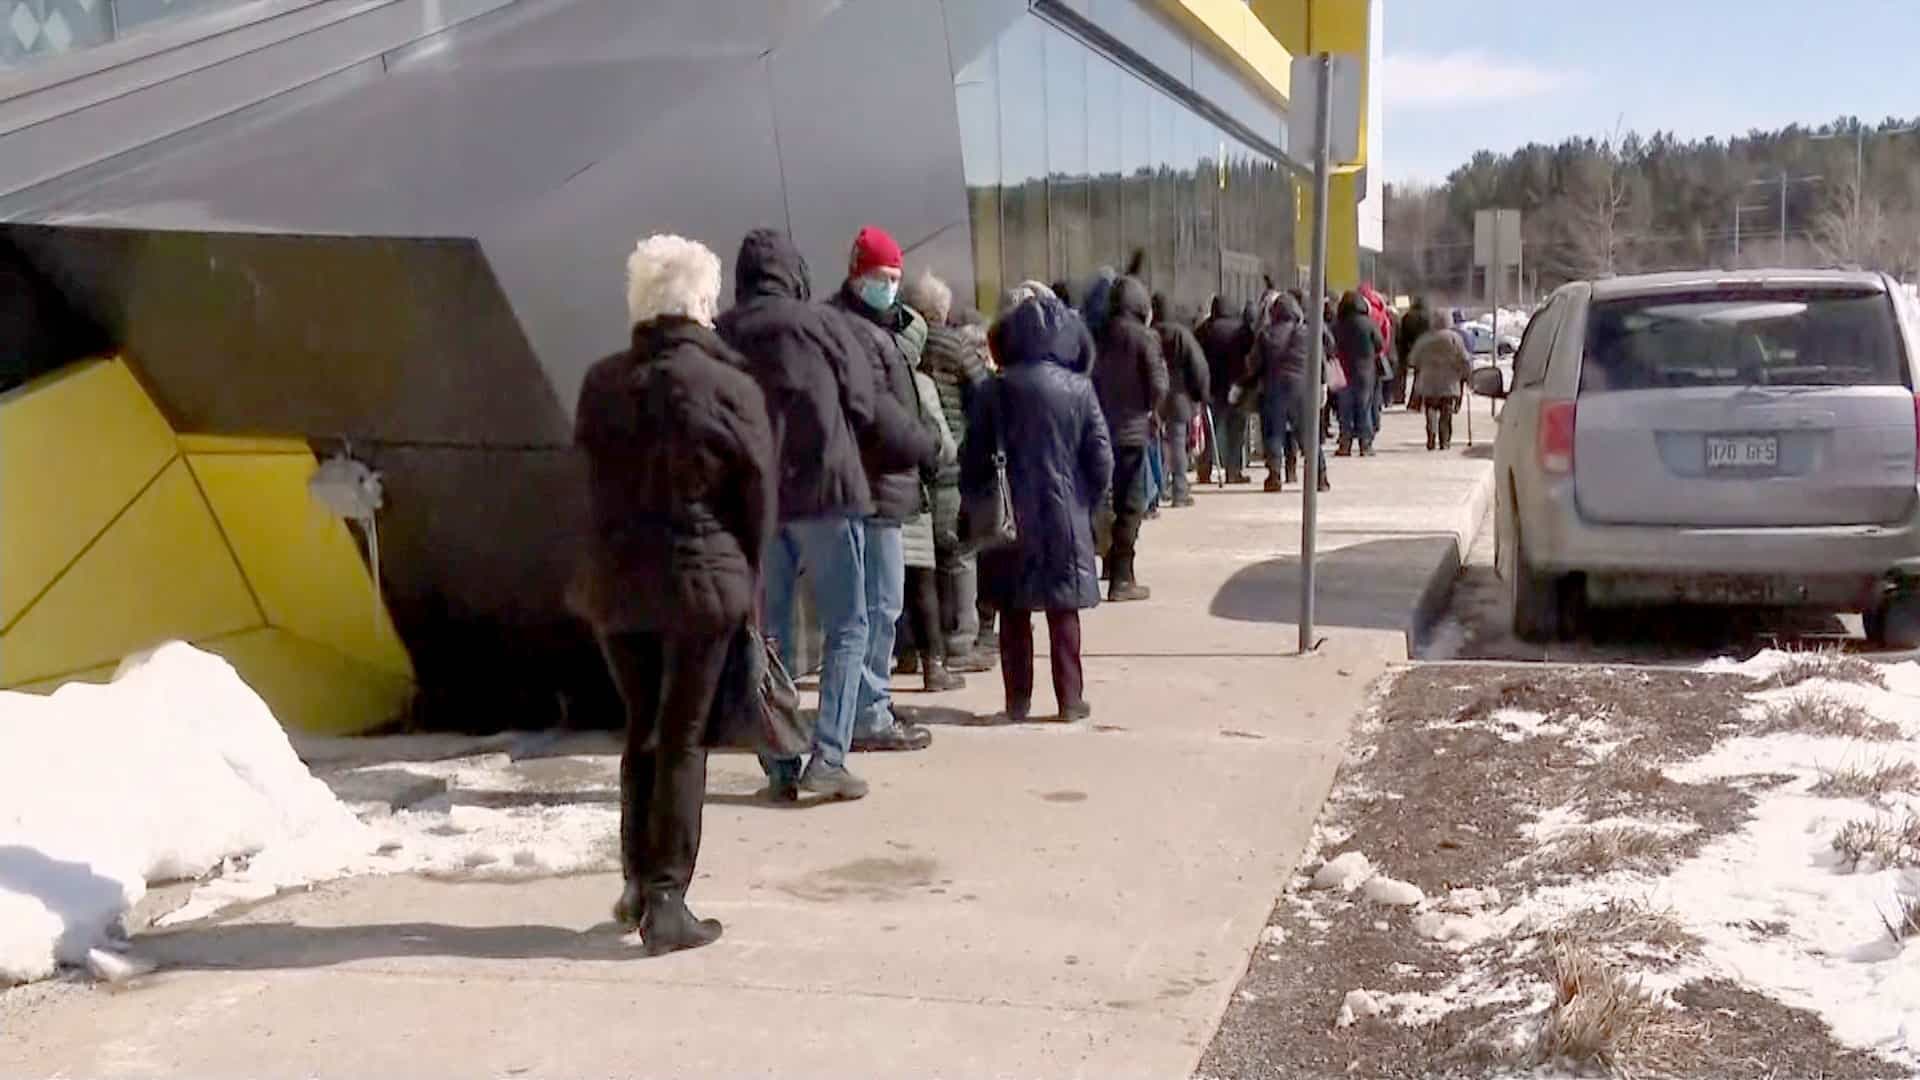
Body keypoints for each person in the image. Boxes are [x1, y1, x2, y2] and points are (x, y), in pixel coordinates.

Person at [570, 234, 774, 954]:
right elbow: (757, 496)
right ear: (702, 305)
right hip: (702, 582)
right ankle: (667, 898)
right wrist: (749, 580)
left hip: (616, 585)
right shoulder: (731, 387)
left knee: (643, 731)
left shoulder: (601, 383)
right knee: (682, 736)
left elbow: (588, 486)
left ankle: (635, 881)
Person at [717, 227, 905, 803]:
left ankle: (779, 759)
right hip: (825, 494)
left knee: (768, 633)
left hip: (761, 504)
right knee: (848, 623)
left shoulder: (722, 334)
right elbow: (861, 402)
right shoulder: (821, 325)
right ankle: (829, 757)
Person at [964, 292, 1112, 723]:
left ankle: (1018, 700)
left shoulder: (995, 389)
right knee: (1063, 610)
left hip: (1010, 516)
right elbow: (1101, 457)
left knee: (1014, 610)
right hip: (1065, 515)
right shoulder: (1079, 389)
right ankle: (1069, 699)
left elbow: (972, 455)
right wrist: (1088, 500)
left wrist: (978, 499)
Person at [827, 226, 945, 754]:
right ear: (859, 275)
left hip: (878, 486)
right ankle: (868, 712)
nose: (890, 287)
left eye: (896, 278)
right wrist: (925, 444)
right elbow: (877, 412)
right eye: (882, 278)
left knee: (881, 603)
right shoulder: (858, 332)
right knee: (880, 603)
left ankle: (869, 702)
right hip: (874, 486)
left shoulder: (870, 326)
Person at [908, 272, 994, 675]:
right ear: (942, 310)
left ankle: (920, 644)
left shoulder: (906, 345)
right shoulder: (957, 344)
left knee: (922, 561)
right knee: (960, 553)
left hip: (913, 465)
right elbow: (983, 393)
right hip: (952, 463)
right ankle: (961, 639)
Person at [888, 305, 966, 692]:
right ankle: (933, 665)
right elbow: (944, 446)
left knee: (887, 586)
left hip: (872, 498)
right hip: (911, 496)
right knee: (922, 582)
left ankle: (902, 654)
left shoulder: (864, 376)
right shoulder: (919, 384)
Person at [1091, 275, 1167, 602]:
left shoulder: (1097, 336)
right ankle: (1123, 576)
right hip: (1133, 433)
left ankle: (1108, 563)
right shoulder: (1145, 338)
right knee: (1131, 504)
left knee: (1104, 499)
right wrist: (1150, 409)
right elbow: (1158, 385)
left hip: (1098, 430)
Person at [1242, 292, 1329, 494]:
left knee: (1273, 434)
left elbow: (1254, 365)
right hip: (1303, 390)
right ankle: (1320, 477)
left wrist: (1244, 384)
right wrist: (1322, 385)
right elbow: (1320, 361)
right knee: (1309, 435)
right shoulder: (1308, 333)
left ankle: (1274, 476)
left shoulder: (1265, 334)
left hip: (1274, 390)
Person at [1151, 292, 1209, 508]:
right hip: (1179, 394)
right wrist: (1200, 393)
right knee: (1177, 442)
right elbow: (1198, 366)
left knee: (1157, 443)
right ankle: (1179, 490)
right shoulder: (1181, 334)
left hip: (1154, 394)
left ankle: (1159, 487)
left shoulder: (1149, 333)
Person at [1195, 296, 1250, 485]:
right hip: (1236, 387)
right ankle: (1233, 471)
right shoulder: (1241, 329)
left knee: (1210, 430)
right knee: (1236, 432)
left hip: (1212, 387)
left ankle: (1204, 470)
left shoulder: (1204, 330)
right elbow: (1250, 357)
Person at [1332, 291, 1384, 457]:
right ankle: (1365, 444)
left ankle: (1345, 444)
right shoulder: (1369, 323)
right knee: (1364, 406)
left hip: (1343, 369)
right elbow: (1379, 344)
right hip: (1365, 370)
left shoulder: (1338, 324)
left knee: (1345, 409)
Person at [1408, 325, 1473, 451]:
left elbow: (1413, 359)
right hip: (1449, 382)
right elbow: (1464, 358)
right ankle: (1445, 440)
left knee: (1430, 409)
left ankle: (1431, 435)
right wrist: (1467, 374)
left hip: (1429, 380)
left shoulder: (1425, 338)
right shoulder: (1454, 338)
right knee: (1446, 413)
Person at [1398, 296, 1434, 409]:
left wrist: (1403, 351)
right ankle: (1420, 401)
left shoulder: (1407, 317)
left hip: (1410, 348)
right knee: (1422, 376)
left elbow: (1402, 336)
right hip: (1425, 349)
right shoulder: (1428, 317)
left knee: (1414, 375)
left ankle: (1413, 401)